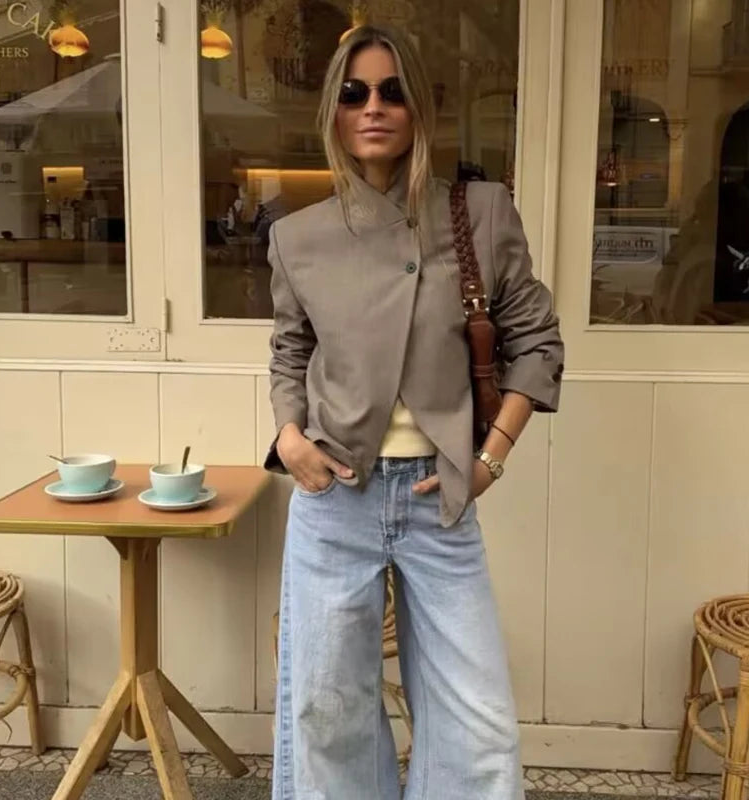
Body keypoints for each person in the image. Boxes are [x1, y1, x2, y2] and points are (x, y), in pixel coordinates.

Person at [264, 24, 564, 800]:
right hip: (336, 497)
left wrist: (490, 458)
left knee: (479, 725)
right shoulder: (298, 237)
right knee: (328, 714)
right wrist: (289, 435)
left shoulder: (481, 213)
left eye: (392, 91)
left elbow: (537, 342)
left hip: (440, 496)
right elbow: (290, 350)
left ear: (419, 107)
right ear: (334, 111)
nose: (373, 107)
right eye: (355, 92)